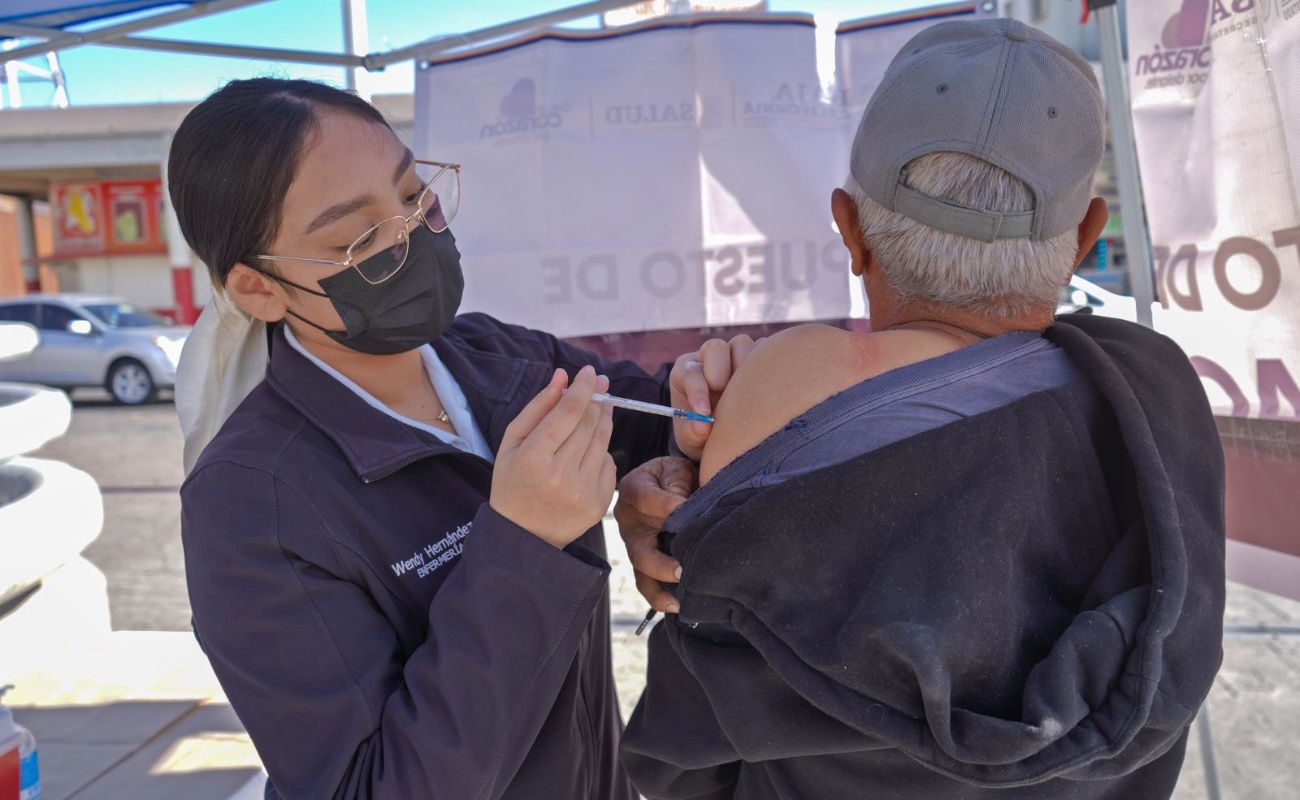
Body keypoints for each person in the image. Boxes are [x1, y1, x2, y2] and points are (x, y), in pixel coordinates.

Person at [615, 19, 1226, 800]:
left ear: (849, 228)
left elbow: (683, 755)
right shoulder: (1154, 401)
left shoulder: (781, 383)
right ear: (1084, 241)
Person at [171, 77, 736, 800]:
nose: (409, 237)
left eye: (414, 197)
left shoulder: (491, 360)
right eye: (359, 239)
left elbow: (662, 417)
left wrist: (663, 472)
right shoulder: (251, 501)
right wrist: (526, 543)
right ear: (258, 289)